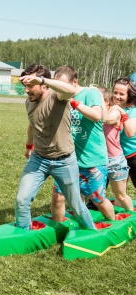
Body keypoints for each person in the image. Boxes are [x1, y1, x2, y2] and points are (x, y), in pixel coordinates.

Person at [15, 63, 96, 230]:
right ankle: (23, 235)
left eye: (31, 86)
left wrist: (41, 78)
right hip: (38, 159)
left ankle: (92, 231)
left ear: (43, 84)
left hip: (64, 161)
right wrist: (28, 145)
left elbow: (70, 90)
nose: (27, 90)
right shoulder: (29, 102)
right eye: (25, 86)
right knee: (22, 200)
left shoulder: (57, 96)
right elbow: (32, 124)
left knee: (76, 206)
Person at [51, 66, 115, 220]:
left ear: (74, 82)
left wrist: (74, 103)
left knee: (97, 199)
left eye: (63, 85)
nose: (60, 89)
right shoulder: (58, 97)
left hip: (91, 159)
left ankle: (112, 224)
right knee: (58, 197)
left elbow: (96, 116)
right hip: (67, 159)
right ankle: (58, 226)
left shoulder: (90, 93)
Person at [99, 86, 133, 210]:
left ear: (106, 101)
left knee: (120, 195)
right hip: (99, 160)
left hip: (115, 161)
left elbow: (107, 119)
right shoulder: (95, 114)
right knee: (97, 196)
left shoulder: (115, 112)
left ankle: (132, 218)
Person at [112, 77, 136, 188]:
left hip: (132, 155)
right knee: (118, 190)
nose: (117, 96)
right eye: (115, 92)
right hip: (112, 156)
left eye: (121, 94)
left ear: (128, 95)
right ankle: (93, 204)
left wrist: (122, 112)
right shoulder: (108, 106)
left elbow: (130, 133)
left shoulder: (133, 110)